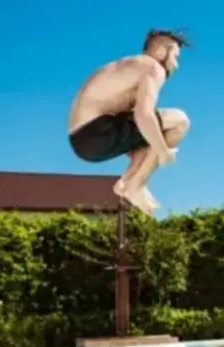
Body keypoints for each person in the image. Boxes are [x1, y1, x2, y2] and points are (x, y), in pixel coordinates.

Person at [67, 29, 192, 215]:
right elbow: (144, 115)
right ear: (160, 51)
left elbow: (137, 122)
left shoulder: (127, 68)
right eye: (175, 56)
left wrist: (146, 148)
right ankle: (136, 185)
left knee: (149, 137)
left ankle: (127, 183)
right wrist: (163, 152)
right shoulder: (152, 67)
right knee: (179, 121)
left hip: (81, 140)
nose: (176, 65)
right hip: (97, 129)